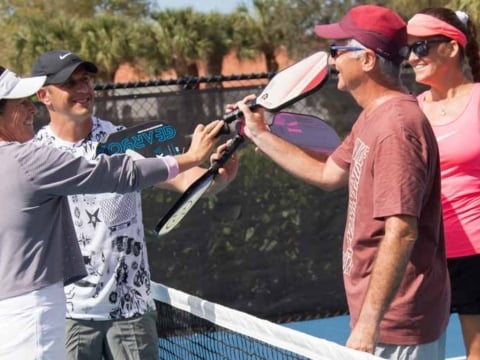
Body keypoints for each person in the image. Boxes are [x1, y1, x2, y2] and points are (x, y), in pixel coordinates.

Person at [235, 5, 450, 359]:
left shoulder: (397, 128)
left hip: (396, 323)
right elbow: (327, 174)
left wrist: (369, 323)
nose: (331, 60)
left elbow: (401, 231)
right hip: (380, 316)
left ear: (366, 59)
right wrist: (259, 133)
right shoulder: (374, 117)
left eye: (337, 51)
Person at [0, 65, 225, 360]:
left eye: (86, 80)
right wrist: (192, 155)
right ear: (48, 96)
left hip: (121, 309)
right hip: (41, 315)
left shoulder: (117, 139)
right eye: (20, 102)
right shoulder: (30, 156)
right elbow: (120, 174)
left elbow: (180, 180)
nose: (30, 107)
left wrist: (216, 175)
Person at [406, 7, 480, 359]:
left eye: (421, 46)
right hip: (424, 256)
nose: (411, 57)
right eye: (409, 47)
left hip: (477, 256)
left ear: (451, 48)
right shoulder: (410, 110)